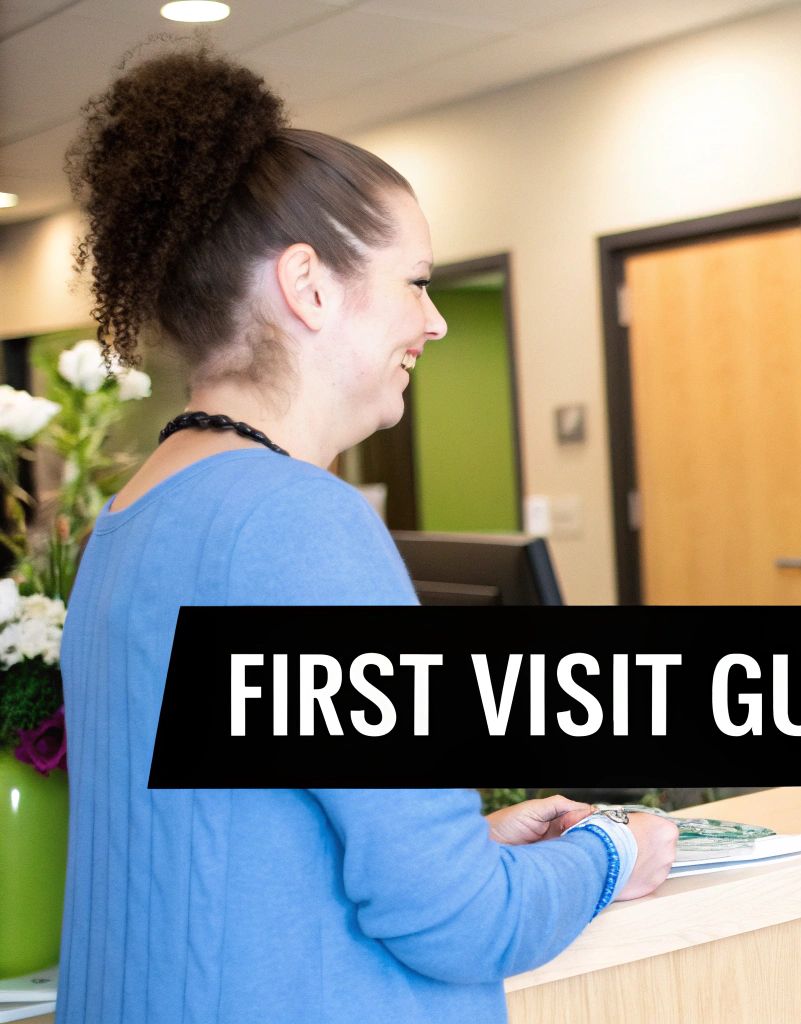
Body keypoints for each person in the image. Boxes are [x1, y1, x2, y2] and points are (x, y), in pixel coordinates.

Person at [57, 46, 676, 1023]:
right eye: (415, 282)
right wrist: (613, 851)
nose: (431, 323)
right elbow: (462, 924)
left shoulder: (130, 521)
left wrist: (457, 836)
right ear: (308, 285)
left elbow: (231, 845)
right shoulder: (296, 520)